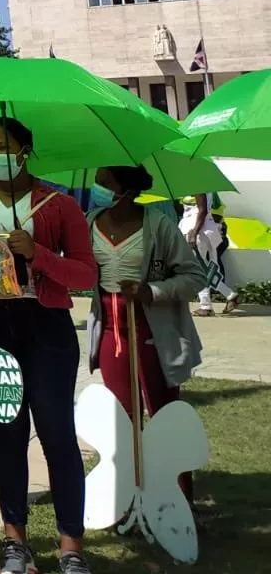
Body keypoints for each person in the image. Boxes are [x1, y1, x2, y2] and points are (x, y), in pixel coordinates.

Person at [0, 117, 96, 574]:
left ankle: (70, 548)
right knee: (6, 436)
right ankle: (16, 545)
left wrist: (38, 255)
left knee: (58, 437)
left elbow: (86, 275)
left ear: (25, 149)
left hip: (47, 329)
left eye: (1, 145)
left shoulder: (59, 205)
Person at [87, 165, 206, 501]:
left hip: (153, 333)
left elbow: (194, 278)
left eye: (104, 182)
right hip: (112, 333)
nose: (97, 189)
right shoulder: (88, 223)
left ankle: (179, 499)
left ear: (125, 189)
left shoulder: (159, 226)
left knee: (164, 414)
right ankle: (129, 498)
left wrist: (150, 291)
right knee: (122, 421)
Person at [182, 192, 238, 316]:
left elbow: (202, 211)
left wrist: (194, 233)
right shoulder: (200, 187)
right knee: (205, 268)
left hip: (197, 232)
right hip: (200, 230)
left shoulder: (197, 185)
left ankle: (206, 306)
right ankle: (229, 295)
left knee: (199, 269)